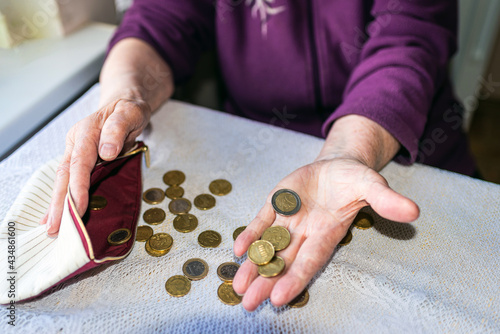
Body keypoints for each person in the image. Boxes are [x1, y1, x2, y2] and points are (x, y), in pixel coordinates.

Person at [41, 0, 475, 311]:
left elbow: (406, 44)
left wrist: (347, 153)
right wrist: (124, 96)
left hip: (397, 147)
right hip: (254, 151)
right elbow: (158, 21)